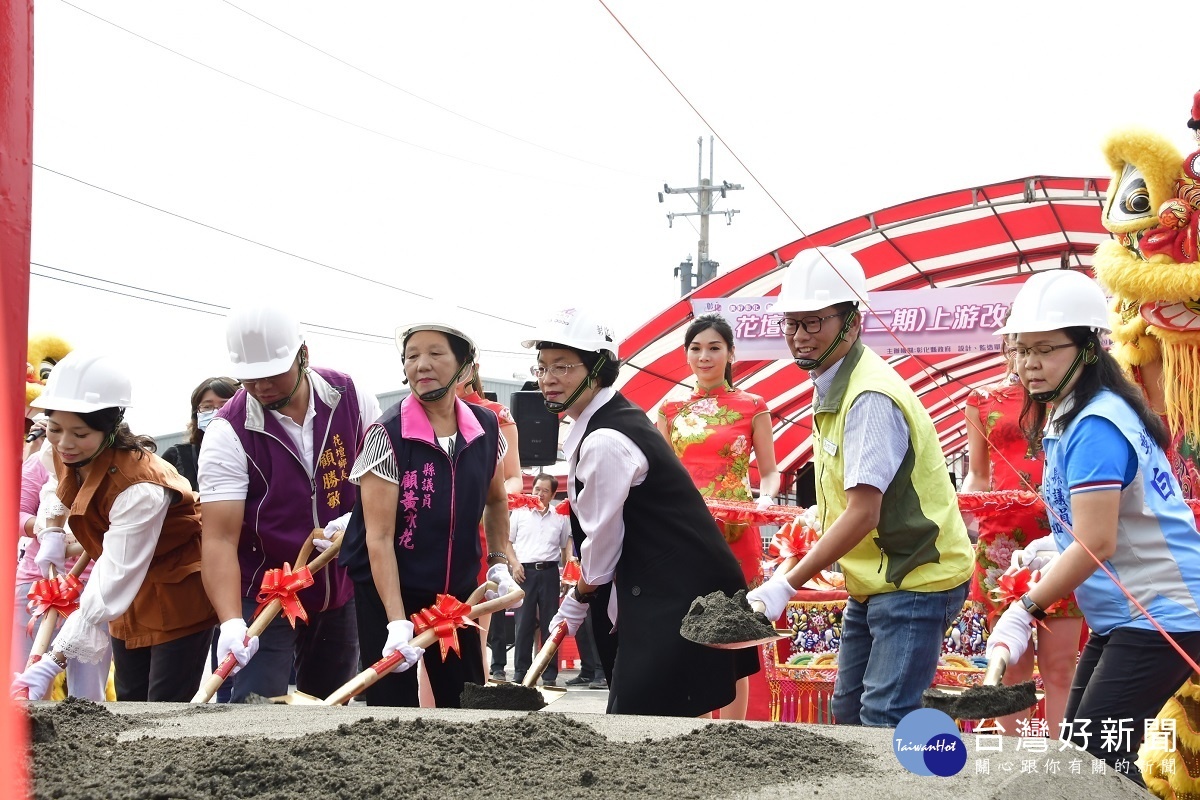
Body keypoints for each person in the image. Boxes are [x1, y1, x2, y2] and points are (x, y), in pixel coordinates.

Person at [984, 269, 1200, 786]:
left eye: (1045, 349)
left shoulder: (1096, 425)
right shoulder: (1078, 413)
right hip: (1130, 617)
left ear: (1087, 347)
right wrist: (1046, 545)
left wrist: (1024, 607)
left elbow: (1098, 540)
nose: (1028, 364)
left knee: (1091, 769)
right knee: (1087, 758)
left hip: (1159, 614)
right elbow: (1108, 519)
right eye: (1020, 350)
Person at [746, 246, 973, 727]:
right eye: (792, 323)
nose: (800, 336)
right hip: (877, 579)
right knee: (848, 712)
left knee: (884, 715)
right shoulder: (832, 384)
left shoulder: (868, 395)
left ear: (851, 322)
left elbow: (863, 512)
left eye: (814, 323)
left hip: (916, 578)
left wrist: (787, 583)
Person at [523, 306, 758, 717]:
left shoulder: (606, 438)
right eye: (542, 367)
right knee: (661, 715)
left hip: (681, 591)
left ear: (598, 368)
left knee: (644, 717)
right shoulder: (600, 423)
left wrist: (581, 593)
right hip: (664, 584)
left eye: (563, 366)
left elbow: (603, 537)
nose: (549, 379)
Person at [11, 353, 217, 702]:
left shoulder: (139, 487)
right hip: (128, 601)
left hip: (173, 593)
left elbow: (112, 578)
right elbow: (55, 492)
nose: (64, 444)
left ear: (110, 428)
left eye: (79, 433)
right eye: (56, 430)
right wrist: (50, 532)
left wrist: (51, 660)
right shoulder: (71, 453)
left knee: (162, 708)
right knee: (129, 700)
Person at [198, 305, 378, 703]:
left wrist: (358, 518)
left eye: (273, 372)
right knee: (256, 708)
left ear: (303, 355)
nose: (261, 385)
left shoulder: (351, 399)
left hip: (337, 587)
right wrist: (230, 621)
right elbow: (218, 540)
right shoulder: (227, 432)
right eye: (250, 375)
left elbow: (380, 484)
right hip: (263, 593)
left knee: (329, 708)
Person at [340, 321, 521, 707]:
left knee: (467, 699)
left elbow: (495, 500)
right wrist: (395, 621)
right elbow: (379, 538)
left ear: (465, 368)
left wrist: (499, 560)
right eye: (412, 356)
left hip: (453, 591)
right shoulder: (385, 434)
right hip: (389, 589)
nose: (421, 365)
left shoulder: (487, 428)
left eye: (435, 353)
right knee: (393, 709)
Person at [657, 313, 781, 720]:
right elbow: (658, 472)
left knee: (733, 634)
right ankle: (688, 729)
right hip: (682, 531)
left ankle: (733, 734)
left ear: (731, 354)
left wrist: (767, 499)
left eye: (714, 348)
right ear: (686, 354)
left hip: (735, 530)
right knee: (684, 627)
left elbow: (770, 472)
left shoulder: (753, 406)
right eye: (695, 348)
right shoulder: (671, 409)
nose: (704, 356)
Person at [962, 350, 1083, 737]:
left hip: (1064, 537)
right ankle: (1014, 772)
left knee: (1061, 663)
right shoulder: (982, 400)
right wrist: (960, 520)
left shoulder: (1076, 397)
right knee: (1012, 664)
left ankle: (1064, 770)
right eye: (1019, 344)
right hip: (1000, 542)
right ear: (1007, 346)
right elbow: (978, 476)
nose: (1026, 354)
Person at [509, 473, 571, 687]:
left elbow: (565, 548)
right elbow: (507, 542)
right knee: (523, 623)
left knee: (550, 624)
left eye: (545, 491)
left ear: (553, 494)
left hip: (550, 573)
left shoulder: (560, 517)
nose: (540, 494)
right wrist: (514, 564)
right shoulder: (519, 512)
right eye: (537, 489)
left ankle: (549, 673)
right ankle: (520, 672)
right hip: (524, 573)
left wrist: (566, 575)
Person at [161, 377, 240, 491]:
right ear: (196, 414)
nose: (217, 413)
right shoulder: (176, 457)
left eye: (225, 406)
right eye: (207, 407)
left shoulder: (257, 453)